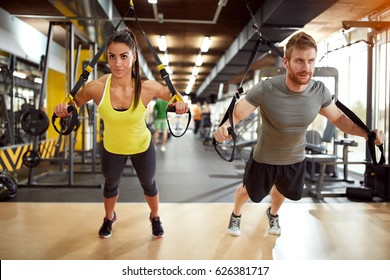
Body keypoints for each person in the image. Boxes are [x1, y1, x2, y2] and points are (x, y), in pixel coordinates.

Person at [213, 31, 385, 237]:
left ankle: (273, 215)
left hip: (294, 159)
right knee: (246, 192)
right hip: (264, 158)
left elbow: (340, 119)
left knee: (281, 192)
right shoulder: (266, 88)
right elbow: (236, 113)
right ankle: (236, 213)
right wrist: (224, 127)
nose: (306, 68)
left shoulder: (319, 91)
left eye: (311, 61)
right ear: (286, 62)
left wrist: (367, 135)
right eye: (300, 61)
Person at [54, 27, 188, 239]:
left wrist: (181, 104)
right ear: (107, 57)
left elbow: (175, 96)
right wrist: (62, 109)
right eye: (112, 57)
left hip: (142, 146)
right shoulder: (97, 88)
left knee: (149, 184)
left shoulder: (146, 87)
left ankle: (155, 216)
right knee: (110, 185)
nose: (117, 63)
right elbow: (73, 103)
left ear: (133, 58)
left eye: (124, 57)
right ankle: (109, 217)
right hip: (112, 147)